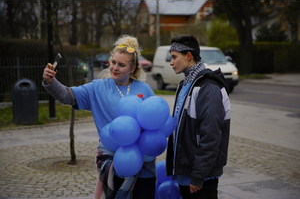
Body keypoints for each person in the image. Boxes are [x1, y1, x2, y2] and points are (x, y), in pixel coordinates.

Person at [42, 35, 156, 199]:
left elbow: (155, 123)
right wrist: (50, 82)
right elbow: (68, 96)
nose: (115, 67)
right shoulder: (97, 88)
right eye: (113, 62)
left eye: (121, 64)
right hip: (113, 162)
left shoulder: (145, 90)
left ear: (132, 69)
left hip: (145, 165)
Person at [165, 34, 231, 199]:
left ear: (188, 56)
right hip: (186, 174)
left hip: (200, 177)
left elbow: (211, 135)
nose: (171, 62)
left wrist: (198, 175)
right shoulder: (185, 84)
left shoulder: (208, 87)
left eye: (174, 57)